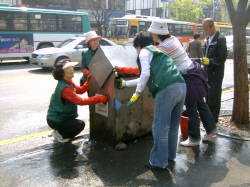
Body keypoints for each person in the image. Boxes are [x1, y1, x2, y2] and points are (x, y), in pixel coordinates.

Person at [116, 32, 186, 170]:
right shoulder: (158, 52)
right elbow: (146, 77)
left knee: (159, 127)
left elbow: (145, 74)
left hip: (166, 90)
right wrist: (125, 84)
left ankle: (158, 162)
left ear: (138, 45)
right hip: (181, 86)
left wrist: (137, 93)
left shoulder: (144, 52)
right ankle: (169, 155)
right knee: (172, 126)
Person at [147, 19, 217, 147]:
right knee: (201, 104)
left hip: (188, 77)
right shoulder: (172, 39)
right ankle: (211, 131)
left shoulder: (164, 47)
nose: (151, 35)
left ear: (157, 33)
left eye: (152, 33)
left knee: (191, 109)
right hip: (194, 72)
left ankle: (195, 138)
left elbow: (153, 61)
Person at [47, 59, 108, 143]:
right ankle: (60, 134)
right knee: (79, 125)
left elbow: (80, 90)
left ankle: (60, 131)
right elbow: (80, 101)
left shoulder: (68, 83)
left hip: (62, 117)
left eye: (72, 67)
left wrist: (88, 82)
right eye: (68, 68)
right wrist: (99, 99)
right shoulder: (65, 88)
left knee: (76, 124)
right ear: (62, 72)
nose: (72, 69)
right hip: (57, 120)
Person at [202, 18, 227, 123]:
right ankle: (208, 118)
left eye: (207, 29)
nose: (205, 31)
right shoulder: (208, 39)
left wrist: (210, 61)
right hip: (207, 71)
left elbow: (222, 57)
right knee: (207, 95)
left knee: (214, 96)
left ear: (212, 27)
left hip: (216, 72)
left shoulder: (220, 39)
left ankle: (213, 119)